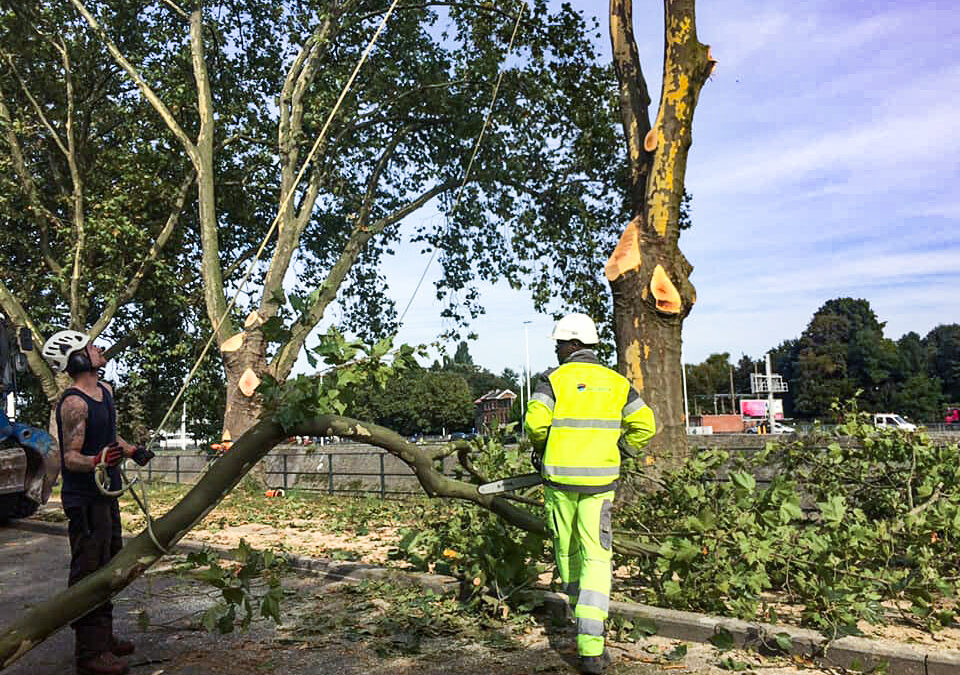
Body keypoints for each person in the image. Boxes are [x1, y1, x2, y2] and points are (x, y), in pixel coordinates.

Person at [524, 313, 656, 675]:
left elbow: (535, 424)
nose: (556, 349)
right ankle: (591, 646)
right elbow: (646, 425)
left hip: (559, 483)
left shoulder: (551, 381)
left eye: (559, 344)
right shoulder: (617, 383)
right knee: (597, 557)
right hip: (600, 486)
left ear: (574, 344)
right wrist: (625, 450)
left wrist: (545, 445)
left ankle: (572, 614)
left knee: (567, 551)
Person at [42, 330, 146, 675]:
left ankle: (104, 637)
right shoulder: (73, 403)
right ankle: (89, 653)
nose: (98, 348)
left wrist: (131, 450)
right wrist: (98, 459)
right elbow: (71, 457)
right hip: (85, 500)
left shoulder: (105, 392)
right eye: (89, 346)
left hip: (107, 494)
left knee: (110, 564)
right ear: (77, 359)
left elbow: (109, 434)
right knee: (89, 572)